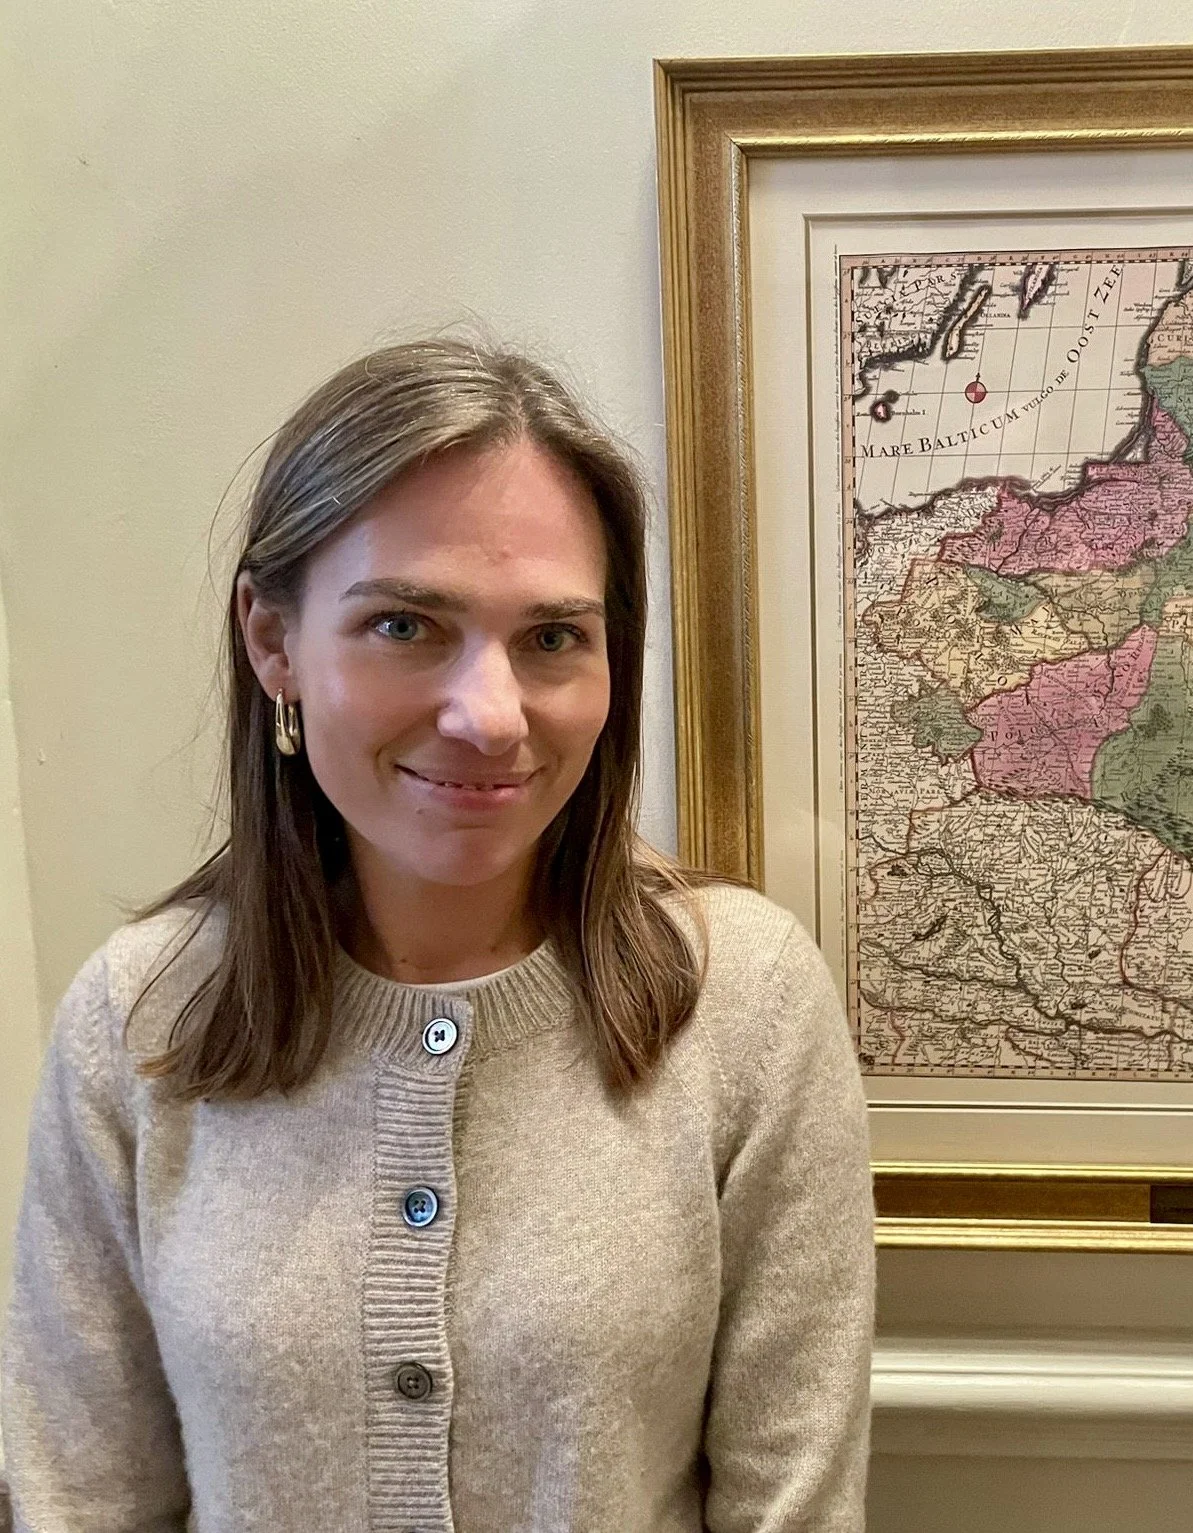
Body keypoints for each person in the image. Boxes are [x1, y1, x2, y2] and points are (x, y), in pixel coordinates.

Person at [0, 338, 875, 1532]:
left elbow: (792, 1504)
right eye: (405, 625)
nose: (489, 716)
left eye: (552, 637)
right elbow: (79, 1495)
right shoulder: (140, 1017)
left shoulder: (741, 1001)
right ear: (273, 641)